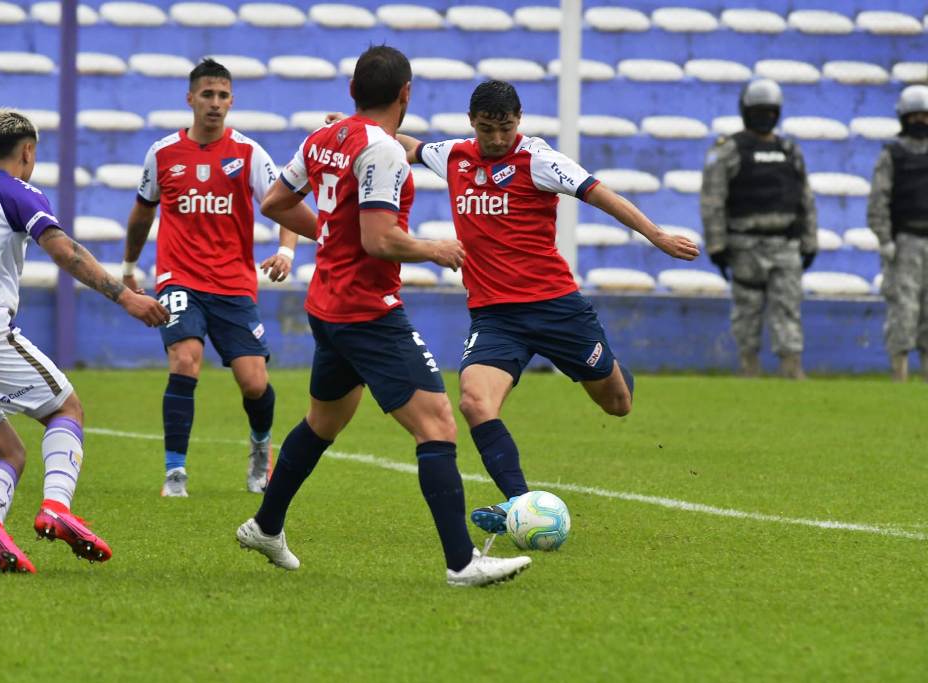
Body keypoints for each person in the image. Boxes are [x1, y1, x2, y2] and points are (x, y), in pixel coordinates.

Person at [236, 46, 531, 587]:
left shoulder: (326, 137)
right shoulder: (382, 151)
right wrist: (433, 249)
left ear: (352, 91)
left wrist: (328, 233)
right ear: (406, 94)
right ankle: (463, 562)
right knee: (438, 423)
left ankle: (266, 524)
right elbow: (378, 239)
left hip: (327, 302)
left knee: (323, 422)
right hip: (365, 310)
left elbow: (276, 202)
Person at [395, 79, 700, 534]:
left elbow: (601, 194)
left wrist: (656, 236)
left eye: (506, 128)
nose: (496, 139)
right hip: (495, 317)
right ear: (471, 124)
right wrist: (361, 130)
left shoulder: (538, 159)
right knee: (476, 403)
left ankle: (610, 365)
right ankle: (519, 504)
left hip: (557, 309)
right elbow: (411, 147)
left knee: (618, 404)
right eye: (486, 130)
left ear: (519, 121)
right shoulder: (456, 155)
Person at [0, 109, 169, 573]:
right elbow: (64, 250)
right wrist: (126, 297)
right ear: (28, 152)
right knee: (66, 409)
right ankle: (57, 508)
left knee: (6, 451)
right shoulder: (16, 190)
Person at [122, 58, 302, 497]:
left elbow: (286, 203)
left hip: (234, 284)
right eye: (207, 95)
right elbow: (142, 212)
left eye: (223, 96)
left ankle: (261, 448)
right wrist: (129, 267)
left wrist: (285, 250)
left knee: (254, 382)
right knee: (185, 360)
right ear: (190, 99)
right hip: (178, 278)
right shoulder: (163, 153)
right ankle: (175, 473)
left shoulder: (248, 153)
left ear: (231, 101)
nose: (215, 104)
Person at [701, 79, 818, 379]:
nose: (765, 116)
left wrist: (810, 241)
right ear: (745, 111)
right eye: (758, 110)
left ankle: (792, 371)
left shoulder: (790, 150)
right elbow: (713, 199)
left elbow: (805, 198)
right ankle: (748, 370)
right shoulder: (729, 150)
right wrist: (717, 245)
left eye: (770, 110)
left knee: (789, 309)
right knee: (747, 311)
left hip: (786, 245)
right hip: (744, 245)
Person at [869, 85, 928, 382]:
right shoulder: (893, 153)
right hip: (904, 243)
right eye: (915, 116)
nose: (921, 121)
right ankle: (900, 373)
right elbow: (879, 199)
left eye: (925, 116)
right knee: (903, 310)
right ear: (904, 118)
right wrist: (885, 239)